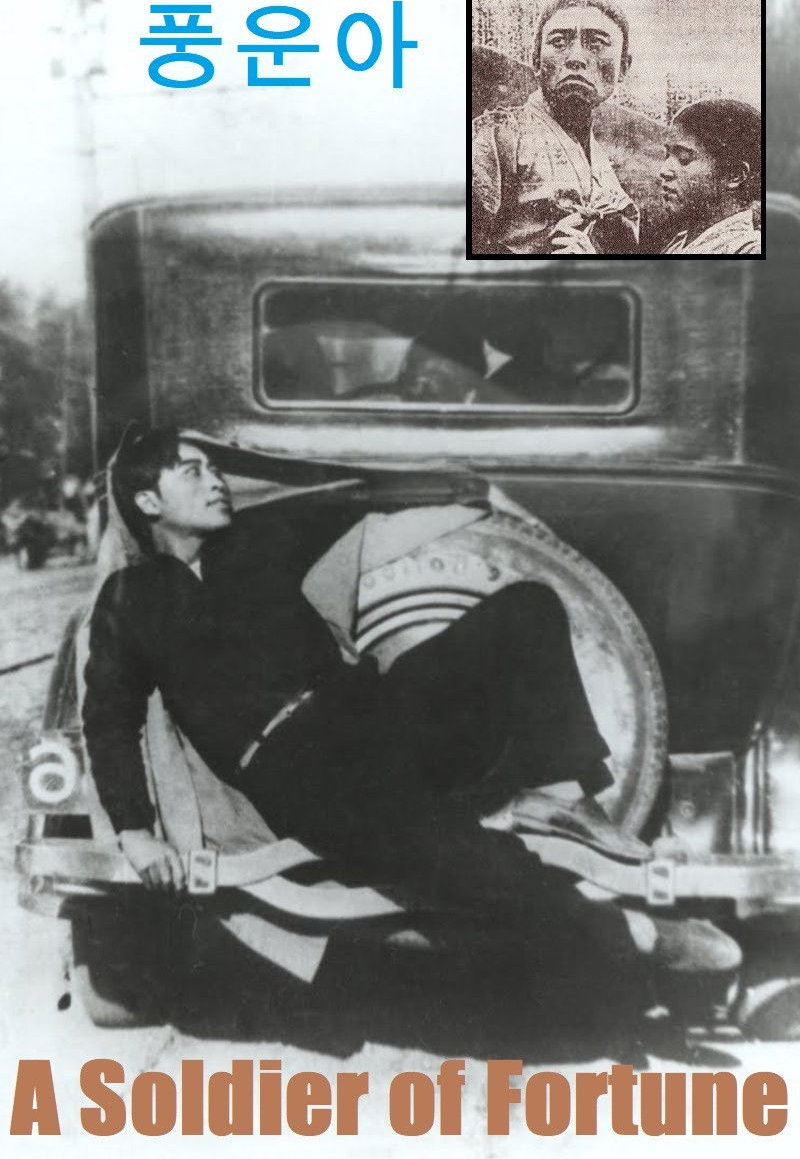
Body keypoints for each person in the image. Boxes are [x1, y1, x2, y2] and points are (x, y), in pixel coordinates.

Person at [82, 427, 740, 1001]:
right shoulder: (131, 597)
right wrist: (135, 832)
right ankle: (630, 933)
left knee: (528, 608)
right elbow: (108, 718)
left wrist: (463, 491)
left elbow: (355, 497)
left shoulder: (256, 546)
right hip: (294, 766)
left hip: (374, 712)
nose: (216, 480)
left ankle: (562, 797)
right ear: (148, 502)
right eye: (191, 471)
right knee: (443, 854)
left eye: (215, 468)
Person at [472, 0, 639, 256]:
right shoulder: (497, 137)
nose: (576, 58)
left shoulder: (604, 166)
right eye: (558, 42)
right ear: (536, 61)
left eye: (596, 43)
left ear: (623, 67)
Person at [660, 99, 761, 255]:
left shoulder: (749, 251)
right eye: (666, 155)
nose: (663, 171)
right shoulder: (677, 245)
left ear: (734, 175)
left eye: (684, 158)